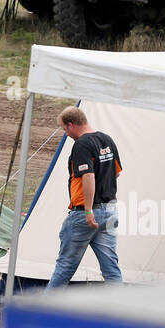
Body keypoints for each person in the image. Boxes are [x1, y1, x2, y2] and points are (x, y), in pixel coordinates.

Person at [46, 105, 123, 288]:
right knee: (111, 269)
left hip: (85, 214)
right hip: (109, 211)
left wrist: (88, 211)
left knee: (65, 266)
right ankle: (121, 312)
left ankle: (44, 311)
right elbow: (116, 172)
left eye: (65, 129)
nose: (66, 134)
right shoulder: (107, 140)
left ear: (71, 125)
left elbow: (88, 175)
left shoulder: (81, 144)